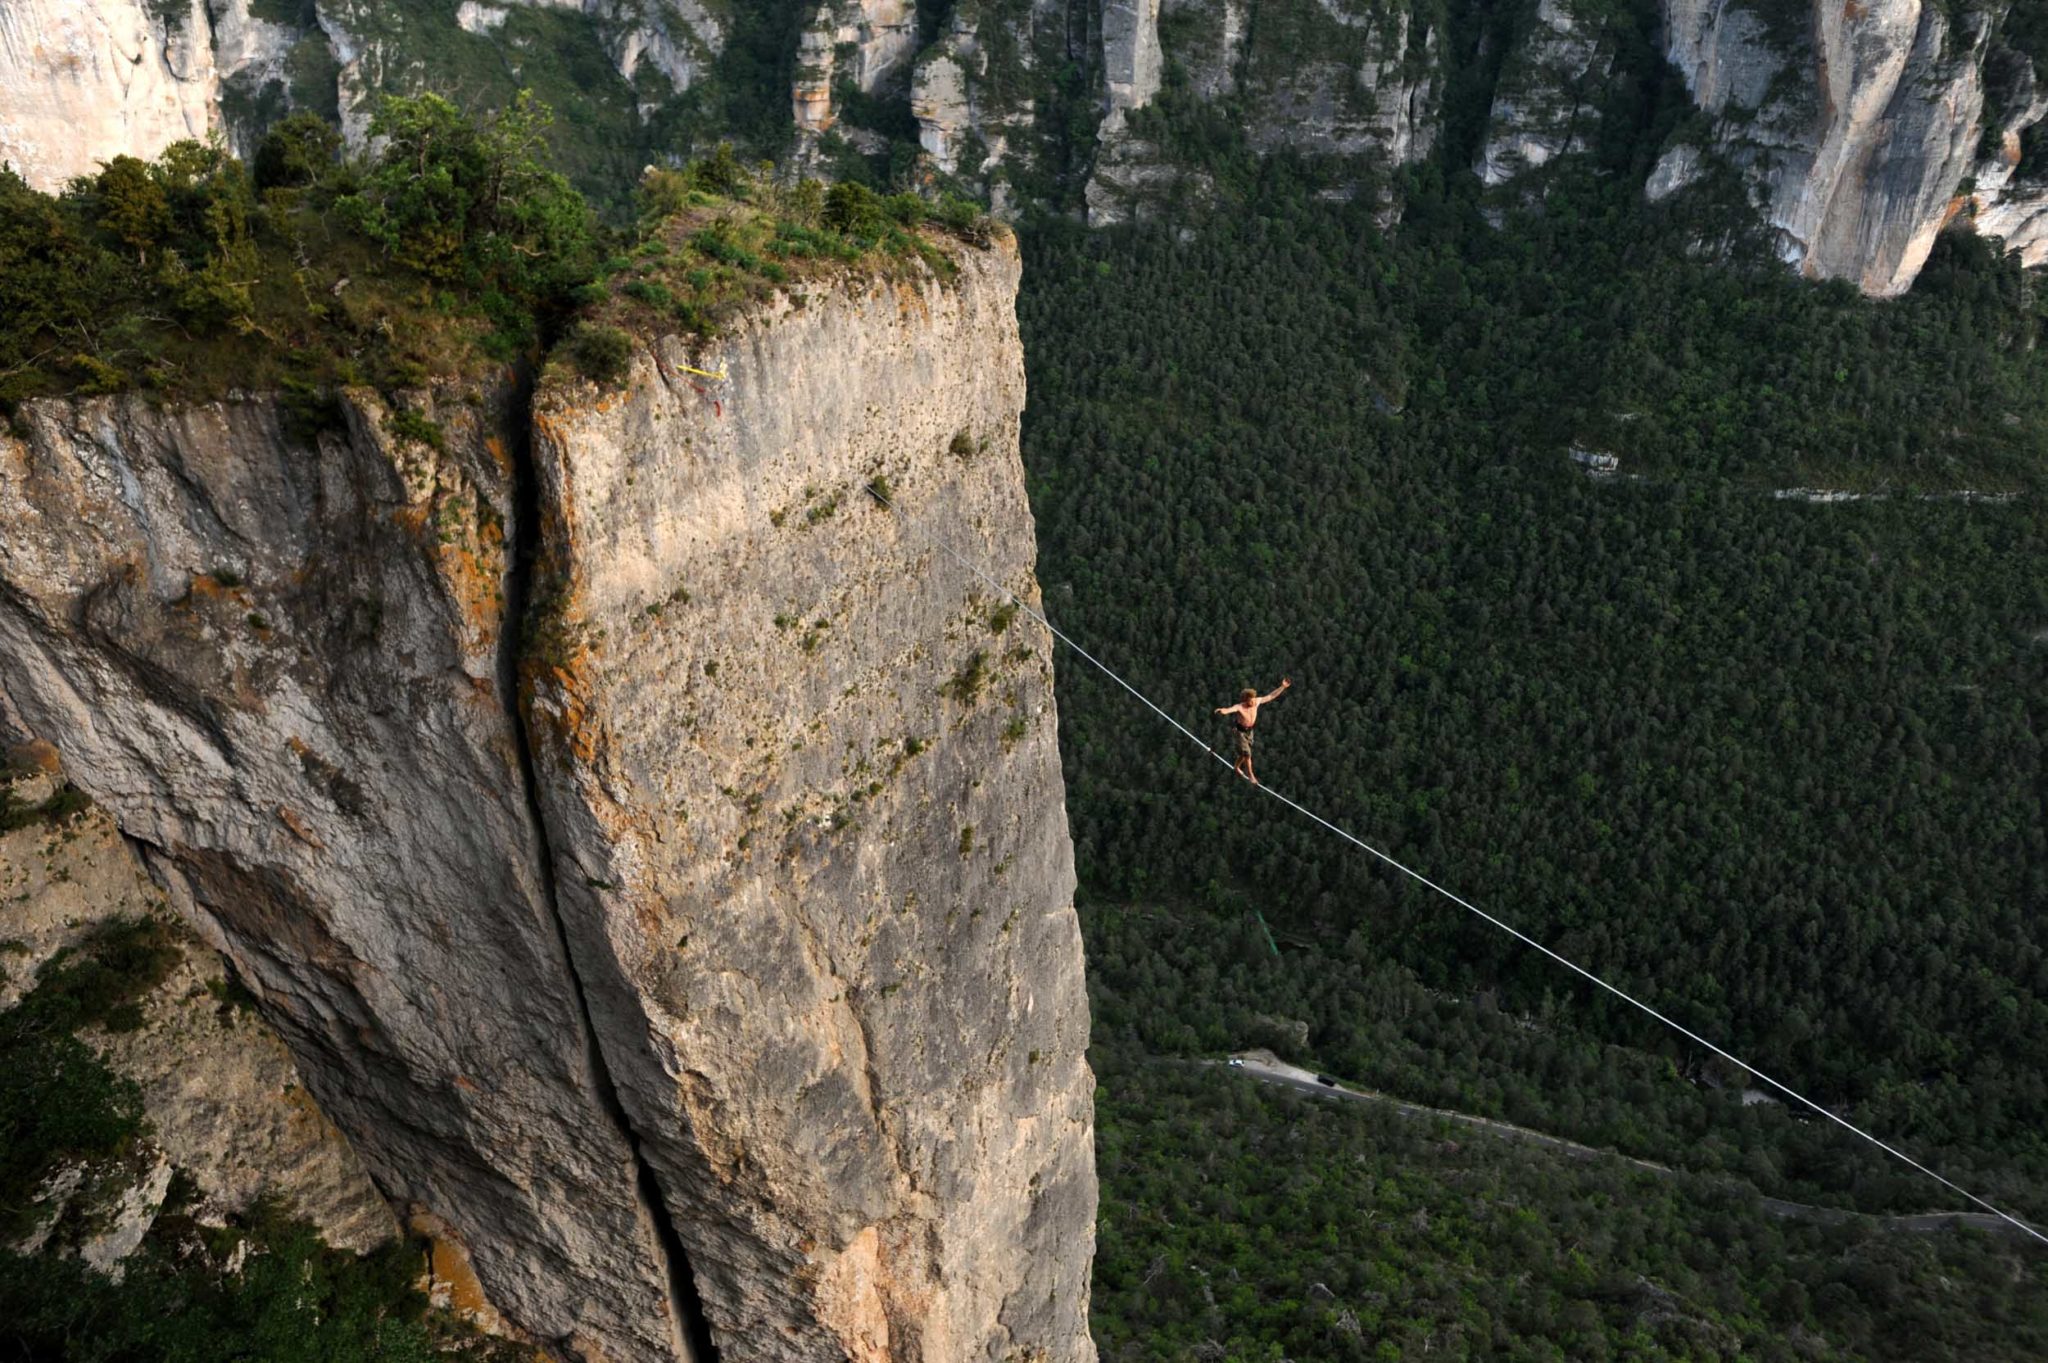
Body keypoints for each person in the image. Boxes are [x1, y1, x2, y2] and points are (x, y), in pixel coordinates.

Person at [1215, 678, 1290, 785]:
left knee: (1243, 754)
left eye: (1253, 699)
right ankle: (1251, 775)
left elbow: (1271, 696)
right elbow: (1229, 710)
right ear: (1245, 700)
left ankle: (1236, 767)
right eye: (1250, 701)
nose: (1253, 702)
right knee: (1247, 754)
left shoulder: (1256, 701)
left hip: (1249, 732)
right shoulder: (1240, 707)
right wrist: (1222, 710)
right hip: (1240, 732)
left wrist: (1282, 687)